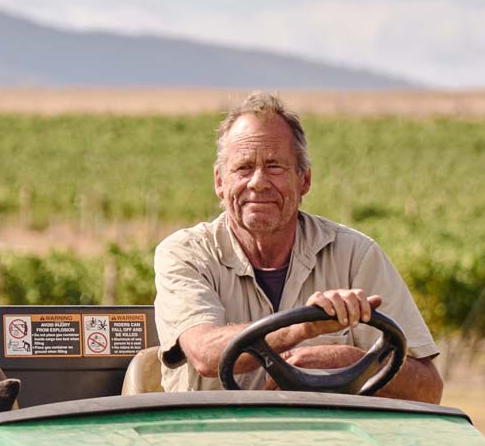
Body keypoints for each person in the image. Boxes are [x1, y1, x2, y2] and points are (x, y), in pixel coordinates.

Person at [153, 91, 443, 400]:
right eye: (243, 168)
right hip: (212, 442)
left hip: (325, 441)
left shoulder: (356, 256)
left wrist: (351, 361)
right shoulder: (185, 254)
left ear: (304, 180)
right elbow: (206, 354)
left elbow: (428, 389)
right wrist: (305, 327)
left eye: (275, 166)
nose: (258, 182)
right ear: (220, 182)